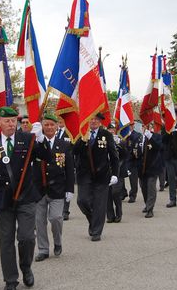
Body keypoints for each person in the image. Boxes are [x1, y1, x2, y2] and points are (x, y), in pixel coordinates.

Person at [0, 106, 51, 290]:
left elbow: (47, 157)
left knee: (26, 237)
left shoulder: (27, 139)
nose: (11, 124)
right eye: (7, 121)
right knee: (6, 241)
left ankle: (26, 267)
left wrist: (41, 139)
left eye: (13, 121)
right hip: (4, 200)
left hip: (26, 197)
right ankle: (10, 279)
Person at [34, 113, 75, 261]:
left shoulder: (64, 144)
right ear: (42, 126)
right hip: (39, 189)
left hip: (58, 188)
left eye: (52, 124)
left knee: (56, 218)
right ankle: (43, 249)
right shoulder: (36, 143)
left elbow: (69, 168)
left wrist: (70, 188)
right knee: (39, 221)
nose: (49, 127)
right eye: (46, 125)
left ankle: (57, 242)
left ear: (57, 126)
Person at [73, 112, 119, 241]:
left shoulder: (106, 135)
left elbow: (114, 156)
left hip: (102, 175)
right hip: (84, 175)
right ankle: (94, 220)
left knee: (99, 205)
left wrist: (115, 174)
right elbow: (74, 151)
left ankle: (96, 231)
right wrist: (82, 140)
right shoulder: (82, 133)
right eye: (91, 119)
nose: (93, 121)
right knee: (82, 201)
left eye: (96, 119)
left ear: (100, 121)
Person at [136, 122, 163, 218]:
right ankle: (147, 204)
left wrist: (150, 136)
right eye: (143, 126)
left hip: (153, 167)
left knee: (151, 187)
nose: (145, 128)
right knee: (143, 188)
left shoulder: (156, 136)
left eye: (147, 126)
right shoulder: (139, 137)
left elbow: (159, 147)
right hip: (141, 168)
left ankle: (150, 209)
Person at [107, 123, 127, 223]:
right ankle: (110, 215)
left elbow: (125, 156)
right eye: (110, 129)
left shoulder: (121, 142)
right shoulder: (103, 141)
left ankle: (119, 213)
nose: (111, 131)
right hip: (106, 171)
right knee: (107, 194)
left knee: (115, 193)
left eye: (113, 129)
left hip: (118, 170)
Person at [57, 117, 74, 221]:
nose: (60, 122)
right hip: (56, 161)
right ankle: (59, 210)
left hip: (65, 161)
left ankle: (65, 211)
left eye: (62, 120)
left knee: (66, 186)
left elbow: (71, 147)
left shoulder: (69, 133)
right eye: (58, 120)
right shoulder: (55, 132)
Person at [125, 122, 142, 202]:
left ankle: (133, 195)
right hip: (123, 160)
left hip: (132, 160)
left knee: (133, 179)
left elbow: (135, 147)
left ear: (133, 126)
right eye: (128, 125)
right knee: (119, 178)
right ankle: (122, 192)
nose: (130, 127)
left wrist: (129, 135)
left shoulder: (137, 135)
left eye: (131, 125)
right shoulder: (122, 134)